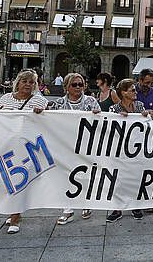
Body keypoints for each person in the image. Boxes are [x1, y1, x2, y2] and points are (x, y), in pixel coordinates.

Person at [0, 69, 48, 233]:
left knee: (20, 180)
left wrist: (42, 114)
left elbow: (48, 119)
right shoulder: (5, 99)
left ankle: (15, 217)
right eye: (24, 81)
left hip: (26, 149)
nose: (28, 84)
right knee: (7, 180)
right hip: (6, 148)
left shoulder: (38, 101)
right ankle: (13, 210)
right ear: (17, 83)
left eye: (31, 82)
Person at [49, 72, 101, 225]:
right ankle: (68, 209)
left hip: (86, 145)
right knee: (66, 176)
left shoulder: (91, 101)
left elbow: (101, 120)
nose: (78, 87)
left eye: (81, 84)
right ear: (66, 87)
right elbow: (47, 122)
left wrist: (97, 115)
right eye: (74, 84)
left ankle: (86, 203)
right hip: (65, 145)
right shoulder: (58, 104)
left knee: (85, 174)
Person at [107, 79, 153, 222]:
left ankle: (135, 205)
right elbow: (108, 127)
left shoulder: (139, 106)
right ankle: (117, 209)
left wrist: (148, 115)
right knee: (119, 179)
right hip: (120, 150)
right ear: (123, 93)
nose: (135, 92)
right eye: (132, 90)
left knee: (135, 177)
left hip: (137, 148)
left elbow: (147, 123)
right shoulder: (114, 109)